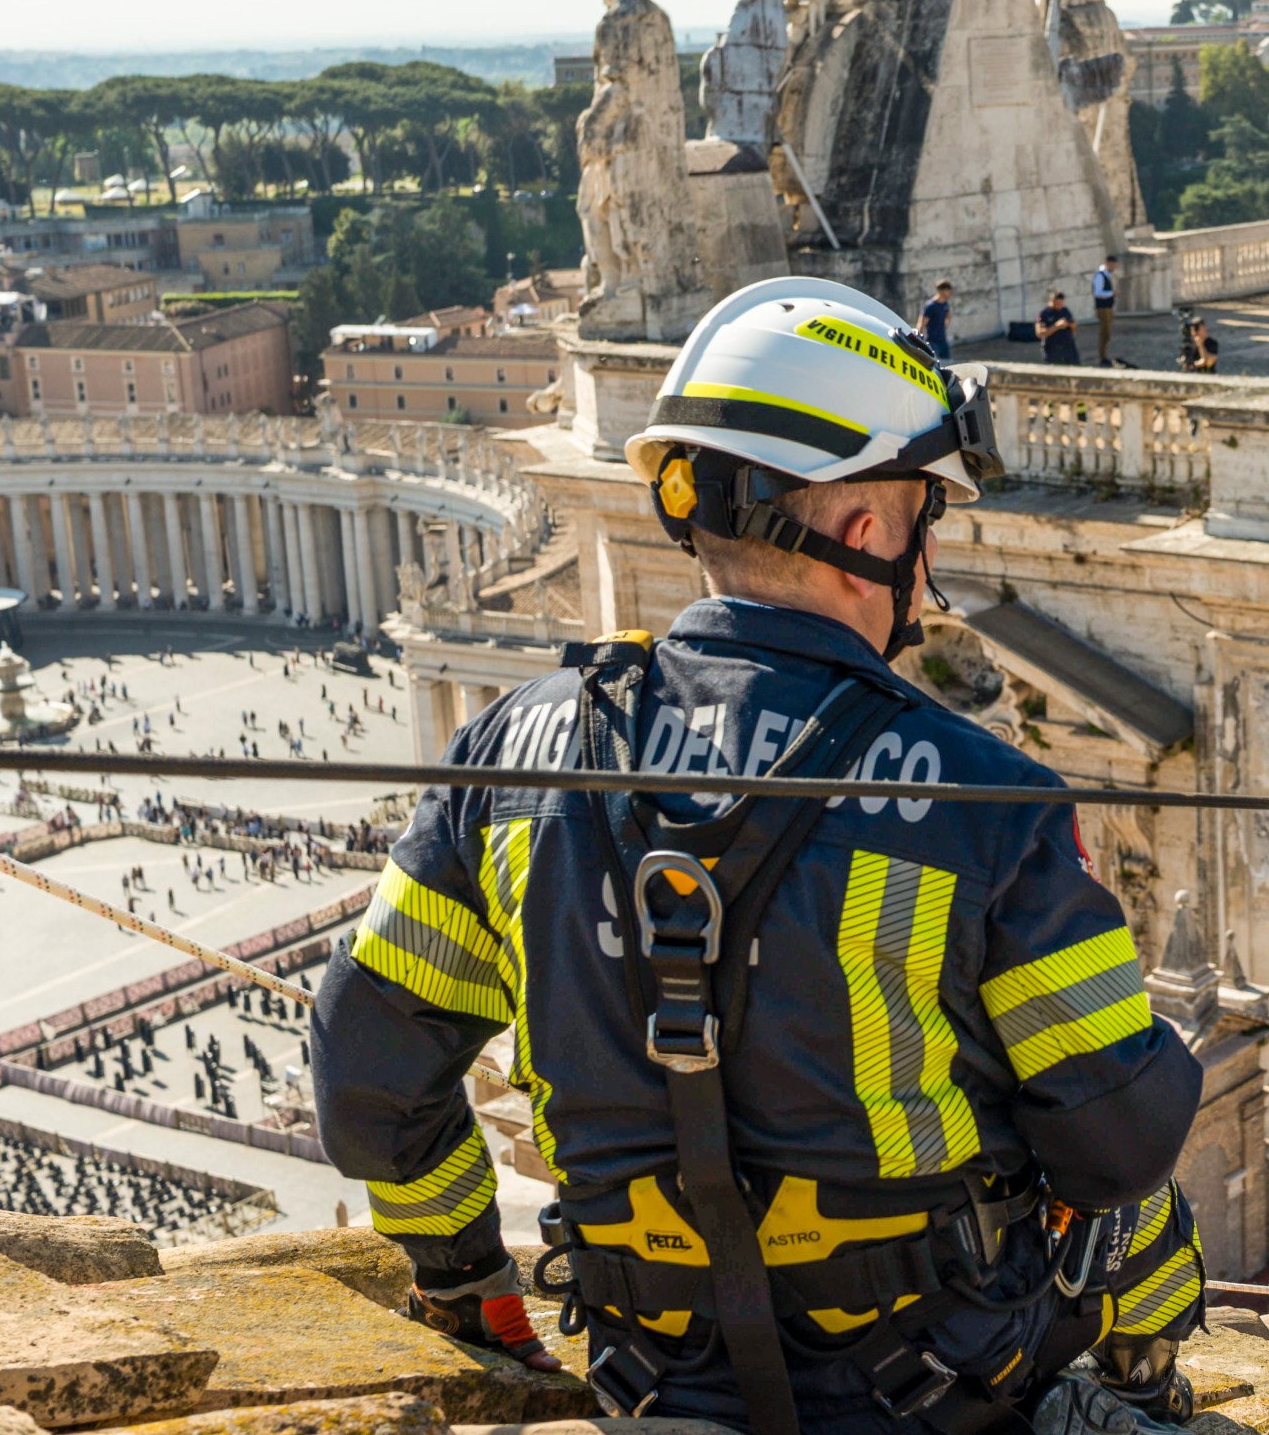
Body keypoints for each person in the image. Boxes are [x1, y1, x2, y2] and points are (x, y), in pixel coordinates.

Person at [313, 277, 1207, 1435]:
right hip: (941, 1401)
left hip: (650, 1383)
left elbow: (365, 1082)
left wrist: (468, 1280)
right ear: (868, 529)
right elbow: (1117, 1142)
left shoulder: (514, 752)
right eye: (923, 523)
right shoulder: (988, 796)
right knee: (1141, 1204)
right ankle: (1146, 1392)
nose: (924, 571)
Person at [1037, 290, 1081, 366]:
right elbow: (1040, 333)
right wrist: (1056, 326)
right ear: (1052, 301)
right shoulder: (1045, 314)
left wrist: (1069, 325)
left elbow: (1074, 327)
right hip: (1053, 348)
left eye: (1061, 303)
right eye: (1057, 304)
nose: (1060, 306)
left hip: (1068, 347)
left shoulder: (1065, 310)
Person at [1091, 254, 1120, 367]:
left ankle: (1104, 355)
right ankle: (1102, 357)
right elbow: (1098, 293)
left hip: (1108, 307)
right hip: (1103, 308)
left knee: (1107, 333)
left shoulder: (1106, 275)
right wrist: (1112, 293)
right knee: (1104, 333)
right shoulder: (1100, 276)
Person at [916, 280, 954, 361]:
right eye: (948, 291)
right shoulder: (931, 306)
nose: (950, 294)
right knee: (936, 365)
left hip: (943, 340)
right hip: (932, 341)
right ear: (942, 291)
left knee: (949, 364)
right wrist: (920, 342)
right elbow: (921, 324)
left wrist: (945, 326)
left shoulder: (945, 304)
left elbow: (948, 316)